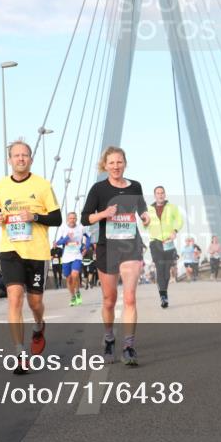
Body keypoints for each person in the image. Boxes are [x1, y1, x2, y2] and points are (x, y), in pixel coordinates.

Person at [0, 140, 62, 374]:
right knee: (14, 298)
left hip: (37, 252)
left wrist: (35, 217)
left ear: (30, 159)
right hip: (10, 249)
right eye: (16, 155)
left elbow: (57, 218)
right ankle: (20, 354)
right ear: (9, 160)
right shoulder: (1, 186)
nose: (20, 159)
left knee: (35, 303)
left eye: (25, 155)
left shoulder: (42, 185)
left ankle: (39, 325)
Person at [81, 146, 149, 366]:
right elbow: (85, 218)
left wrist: (146, 216)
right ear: (105, 165)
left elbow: (142, 208)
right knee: (109, 300)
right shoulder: (98, 189)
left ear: (125, 163)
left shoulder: (135, 186)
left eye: (119, 162)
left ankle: (129, 346)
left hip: (130, 247)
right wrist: (103, 213)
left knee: (129, 298)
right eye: (111, 163)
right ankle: (109, 338)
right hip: (107, 248)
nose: (116, 166)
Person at [144, 185, 184, 308]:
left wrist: (175, 231)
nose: (160, 195)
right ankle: (163, 296)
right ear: (154, 195)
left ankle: (164, 292)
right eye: (158, 193)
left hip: (168, 242)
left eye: (162, 193)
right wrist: (145, 222)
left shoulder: (172, 207)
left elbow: (179, 220)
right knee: (160, 267)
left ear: (165, 195)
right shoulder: (148, 209)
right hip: (155, 242)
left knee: (166, 270)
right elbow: (144, 226)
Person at [55, 211, 91, 306]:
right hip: (66, 257)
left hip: (77, 255)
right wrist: (67, 238)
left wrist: (86, 248)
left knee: (75, 275)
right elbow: (58, 242)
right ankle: (73, 296)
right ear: (67, 219)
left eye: (74, 218)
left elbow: (89, 237)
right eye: (70, 218)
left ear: (76, 219)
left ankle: (78, 292)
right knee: (69, 279)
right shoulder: (63, 228)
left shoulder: (81, 228)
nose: (72, 220)